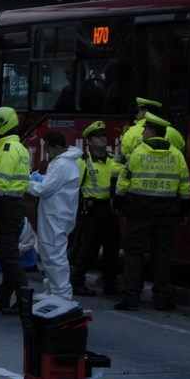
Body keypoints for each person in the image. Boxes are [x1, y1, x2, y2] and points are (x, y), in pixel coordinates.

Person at [113, 112, 190, 311]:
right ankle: (162, 298)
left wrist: (119, 202)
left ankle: (131, 297)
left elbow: (124, 181)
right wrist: (183, 211)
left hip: (139, 210)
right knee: (161, 255)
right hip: (166, 212)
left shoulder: (138, 153)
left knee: (133, 253)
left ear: (152, 131)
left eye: (145, 129)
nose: (143, 133)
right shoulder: (177, 155)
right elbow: (185, 186)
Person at [0, 107, 34, 314]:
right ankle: (3, 298)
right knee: (7, 255)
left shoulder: (8, 149)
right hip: (13, 205)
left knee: (9, 256)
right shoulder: (17, 147)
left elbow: (0, 183)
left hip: (6, 207)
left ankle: (23, 301)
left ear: (3, 126)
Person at [26, 131, 83, 301]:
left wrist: (24, 183)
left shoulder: (62, 164)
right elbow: (51, 184)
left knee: (54, 253)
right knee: (49, 251)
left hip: (56, 215)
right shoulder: (65, 162)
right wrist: (39, 179)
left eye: (49, 149)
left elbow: (44, 189)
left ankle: (61, 293)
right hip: (57, 213)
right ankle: (53, 289)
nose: (48, 152)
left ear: (56, 147)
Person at [70, 121, 122, 297]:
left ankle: (110, 285)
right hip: (92, 210)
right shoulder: (83, 161)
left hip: (111, 209)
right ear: (89, 141)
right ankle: (77, 282)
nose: (102, 138)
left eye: (103, 135)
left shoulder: (113, 160)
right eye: (97, 136)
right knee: (88, 249)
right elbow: (74, 187)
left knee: (112, 249)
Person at [117, 97, 185, 165]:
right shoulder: (174, 133)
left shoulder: (130, 132)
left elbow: (122, 159)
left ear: (145, 112)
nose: (136, 114)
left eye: (138, 111)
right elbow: (181, 152)